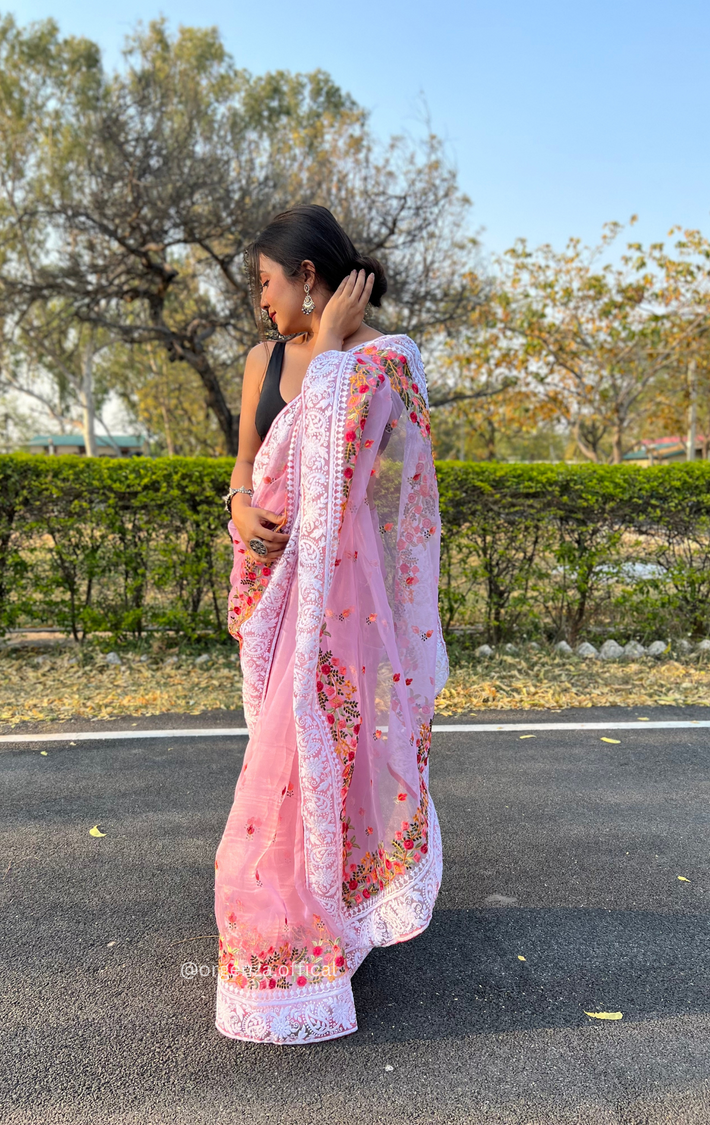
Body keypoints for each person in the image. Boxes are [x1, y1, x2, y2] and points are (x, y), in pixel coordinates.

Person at [215, 204, 449, 1045]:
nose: (261, 303)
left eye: (267, 283)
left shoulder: (381, 361)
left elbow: (351, 471)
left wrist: (338, 353)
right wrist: (241, 510)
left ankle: (314, 928)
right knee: (282, 755)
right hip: (280, 589)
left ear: (308, 276)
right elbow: (250, 462)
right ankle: (306, 913)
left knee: (329, 754)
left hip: (344, 606)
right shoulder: (263, 359)